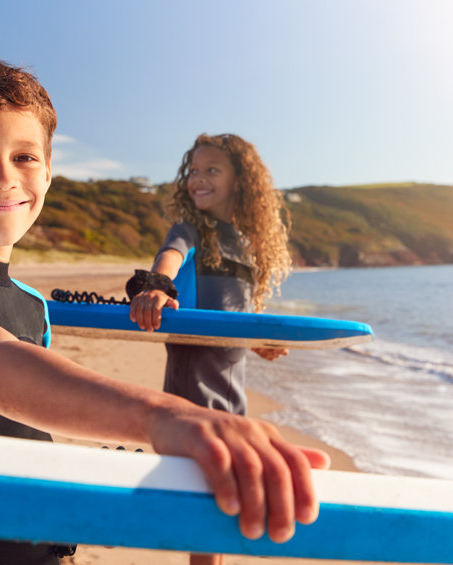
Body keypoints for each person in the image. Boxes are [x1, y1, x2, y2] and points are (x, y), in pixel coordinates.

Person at [0, 57, 328, 565]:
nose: (4, 178)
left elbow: (12, 426)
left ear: (47, 171)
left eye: (23, 157)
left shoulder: (28, 304)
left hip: (30, 545)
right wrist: (163, 417)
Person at [128, 133, 294, 565]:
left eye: (212, 170)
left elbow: (234, 313)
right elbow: (169, 256)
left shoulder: (246, 242)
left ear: (241, 180)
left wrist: (259, 343)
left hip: (232, 386)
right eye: (194, 171)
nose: (198, 179)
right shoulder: (191, 229)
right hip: (194, 383)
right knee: (209, 500)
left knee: (223, 507)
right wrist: (157, 288)